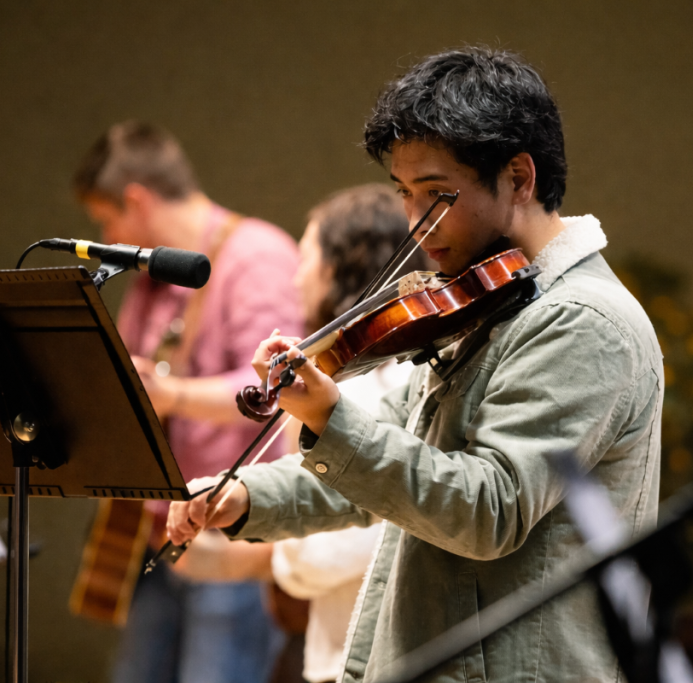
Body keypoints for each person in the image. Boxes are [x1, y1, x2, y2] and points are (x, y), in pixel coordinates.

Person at [169, 47, 664, 683]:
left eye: (436, 194)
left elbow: (491, 509)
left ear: (519, 178)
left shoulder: (582, 322)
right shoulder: (488, 304)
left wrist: (331, 415)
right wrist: (246, 496)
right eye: (405, 194)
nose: (416, 223)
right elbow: (384, 458)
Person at [72, 121, 300, 683]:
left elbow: (278, 387)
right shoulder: (150, 273)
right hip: (155, 530)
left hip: (230, 531)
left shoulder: (255, 255)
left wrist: (171, 394)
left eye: (105, 219)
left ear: (136, 200)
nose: (105, 233)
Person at [172, 184, 423, 683]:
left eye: (305, 257)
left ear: (338, 268)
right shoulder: (346, 377)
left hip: (375, 654)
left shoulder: (370, 387)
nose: (294, 276)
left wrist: (253, 559)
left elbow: (362, 537)